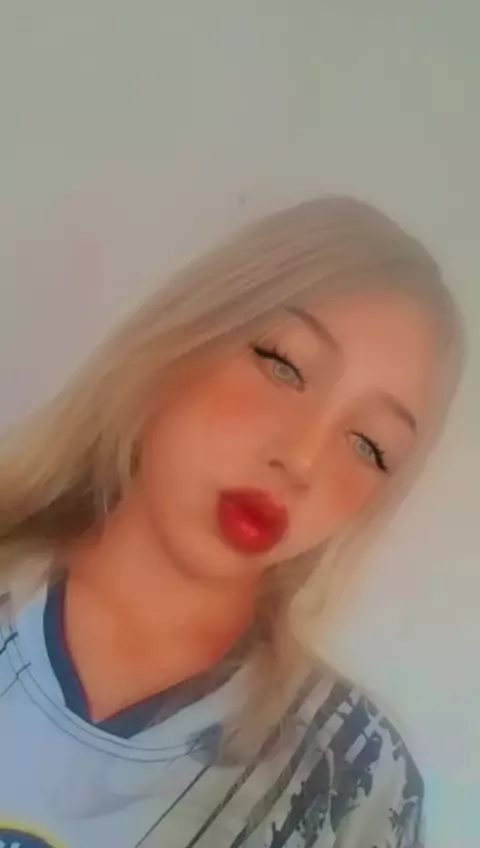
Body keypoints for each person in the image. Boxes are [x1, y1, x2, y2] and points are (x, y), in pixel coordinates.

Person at [0, 196, 464, 848]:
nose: (302, 460)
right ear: (185, 335)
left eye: (370, 446)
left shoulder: (355, 782)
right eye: (284, 365)